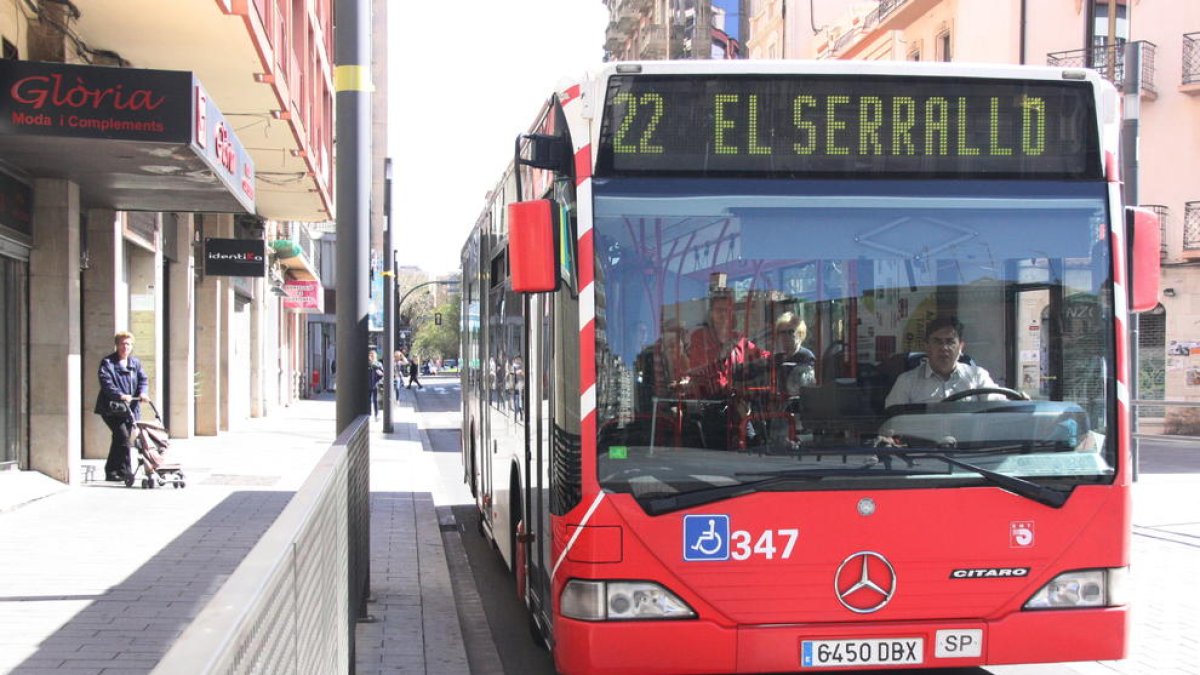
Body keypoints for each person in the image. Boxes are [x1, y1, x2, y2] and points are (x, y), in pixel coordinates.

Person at [884, 316, 998, 408]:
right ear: (927, 347)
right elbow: (893, 423)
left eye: (950, 342)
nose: (944, 347)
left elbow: (999, 409)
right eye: (937, 342)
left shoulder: (977, 376)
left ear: (961, 347)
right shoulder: (906, 382)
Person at [94, 331, 149, 482]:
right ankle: (126, 472)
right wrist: (120, 395)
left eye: (128, 344)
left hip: (130, 409)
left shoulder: (135, 363)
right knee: (123, 437)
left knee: (119, 439)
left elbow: (143, 380)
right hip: (112, 408)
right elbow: (106, 383)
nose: (126, 347)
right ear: (117, 345)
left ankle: (111, 471)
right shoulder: (108, 363)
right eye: (123, 344)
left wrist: (143, 393)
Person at [368, 349, 385, 419]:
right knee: (368, 400)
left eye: (373, 355)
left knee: (375, 400)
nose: (371, 356)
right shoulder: (368, 363)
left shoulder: (378, 363)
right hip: (368, 384)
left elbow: (383, 373)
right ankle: (368, 413)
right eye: (370, 355)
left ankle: (376, 414)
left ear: (376, 356)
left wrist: (380, 372)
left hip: (376, 384)